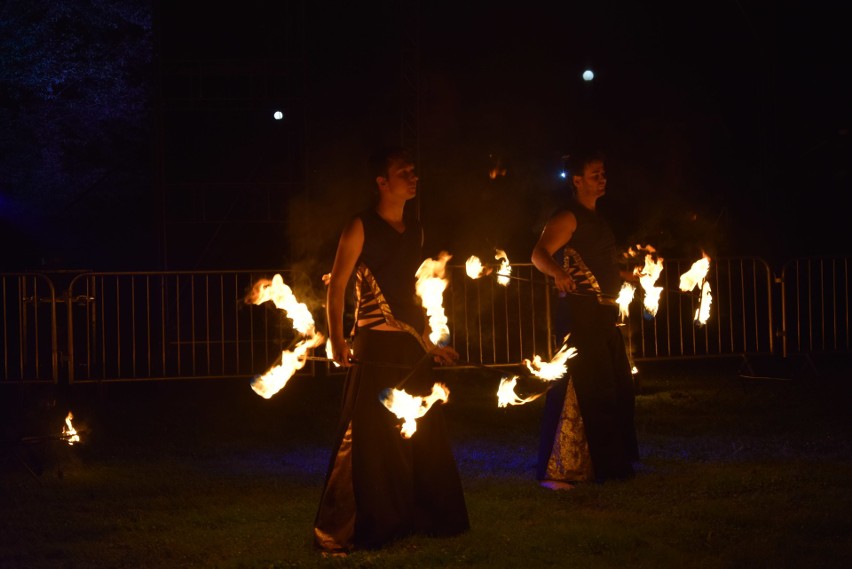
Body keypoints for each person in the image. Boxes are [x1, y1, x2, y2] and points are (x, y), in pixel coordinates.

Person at [314, 146, 469, 554]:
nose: (413, 177)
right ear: (382, 182)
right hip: (375, 345)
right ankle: (373, 520)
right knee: (372, 438)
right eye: (404, 172)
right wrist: (337, 338)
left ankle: (421, 515)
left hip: (409, 348)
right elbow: (338, 286)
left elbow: (413, 296)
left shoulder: (415, 231)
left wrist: (431, 343)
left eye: (414, 171)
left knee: (420, 434)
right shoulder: (360, 226)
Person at [530, 148, 639, 489]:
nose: (602, 179)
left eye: (603, 173)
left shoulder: (598, 219)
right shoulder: (568, 217)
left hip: (603, 313)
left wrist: (628, 275)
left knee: (616, 385)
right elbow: (538, 254)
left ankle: (611, 461)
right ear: (577, 180)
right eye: (595, 174)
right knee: (588, 387)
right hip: (580, 314)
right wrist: (558, 273)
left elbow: (600, 265)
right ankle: (570, 463)